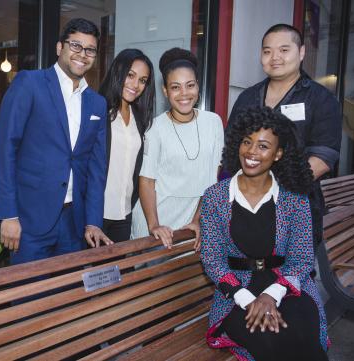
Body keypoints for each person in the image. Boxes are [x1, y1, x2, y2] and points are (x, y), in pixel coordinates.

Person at [201, 107, 329, 361]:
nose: (251, 152)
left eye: (263, 146)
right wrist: (249, 300)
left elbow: (302, 259)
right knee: (269, 340)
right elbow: (212, 260)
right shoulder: (215, 197)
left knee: (304, 336)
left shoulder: (294, 198)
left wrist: (271, 295)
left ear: (278, 153)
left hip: (287, 287)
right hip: (236, 292)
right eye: (247, 142)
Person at [0, 18, 111, 265]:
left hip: (73, 223)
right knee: (27, 296)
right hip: (28, 220)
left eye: (90, 49)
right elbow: (5, 149)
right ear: (60, 48)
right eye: (76, 45)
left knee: (67, 297)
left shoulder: (97, 103)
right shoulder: (30, 83)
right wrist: (8, 214)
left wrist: (93, 221)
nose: (83, 54)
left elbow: (96, 169)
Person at [225, 24, 341, 249]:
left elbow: (324, 157)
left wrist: (270, 189)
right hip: (244, 209)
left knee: (289, 279)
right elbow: (231, 147)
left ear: (302, 52)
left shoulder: (320, 99)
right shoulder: (247, 97)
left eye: (284, 50)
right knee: (245, 276)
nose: (274, 57)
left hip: (295, 211)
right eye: (267, 51)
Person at [131, 47, 224, 251]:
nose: (184, 94)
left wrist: (198, 218)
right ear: (165, 91)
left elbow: (212, 178)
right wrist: (153, 224)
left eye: (190, 85)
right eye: (175, 87)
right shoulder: (155, 128)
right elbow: (146, 180)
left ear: (198, 86)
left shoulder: (213, 122)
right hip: (155, 220)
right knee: (151, 281)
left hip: (190, 221)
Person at [99, 49, 156, 242]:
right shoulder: (99, 110)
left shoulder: (139, 119)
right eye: (130, 75)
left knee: (116, 271)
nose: (135, 85)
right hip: (95, 214)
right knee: (86, 271)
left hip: (123, 213)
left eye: (142, 80)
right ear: (118, 72)